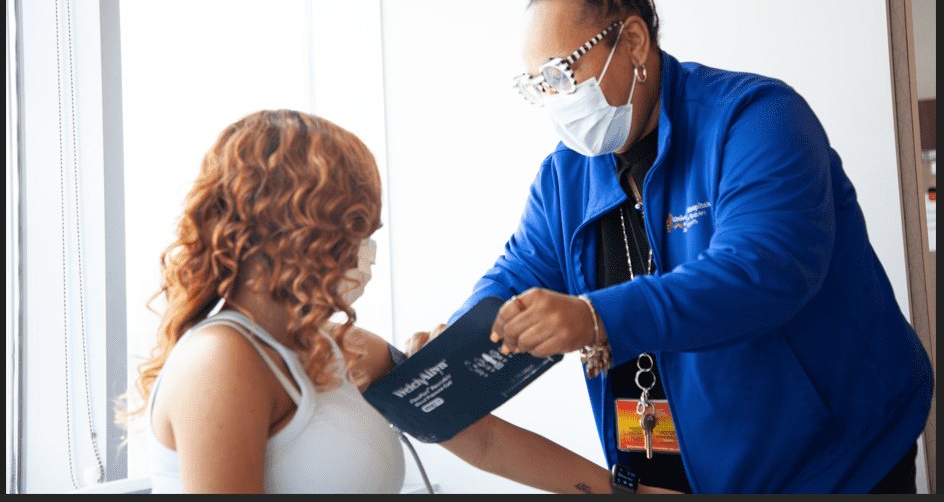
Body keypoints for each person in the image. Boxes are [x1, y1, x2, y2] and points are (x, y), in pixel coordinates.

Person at [408, 0, 933, 494]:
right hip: (670, 477)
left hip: (836, 465)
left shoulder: (755, 120)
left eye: (562, 75)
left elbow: (763, 273)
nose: (555, 103)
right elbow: (514, 280)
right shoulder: (565, 178)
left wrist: (593, 316)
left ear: (631, 41)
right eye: (538, 87)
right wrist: (454, 346)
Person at [119, 109, 672, 494]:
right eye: (352, 230)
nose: (366, 254)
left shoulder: (343, 349)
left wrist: (626, 492)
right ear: (291, 229)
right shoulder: (223, 361)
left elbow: (481, 440)